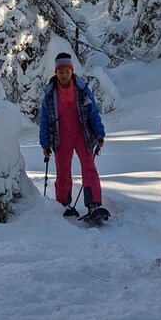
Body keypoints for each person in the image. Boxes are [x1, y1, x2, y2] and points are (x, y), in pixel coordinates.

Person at [40, 52, 105, 217]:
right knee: (62, 170)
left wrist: (99, 134)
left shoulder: (82, 90)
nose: (63, 75)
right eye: (60, 71)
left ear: (72, 71)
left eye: (67, 71)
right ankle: (64, 204)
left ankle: (93, 205)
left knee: (89, 168)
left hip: (82, 135)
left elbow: (93, 113)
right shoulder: (49, 95)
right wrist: (45, 144)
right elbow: (45, 120)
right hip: (61, 137)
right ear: (56, 72)